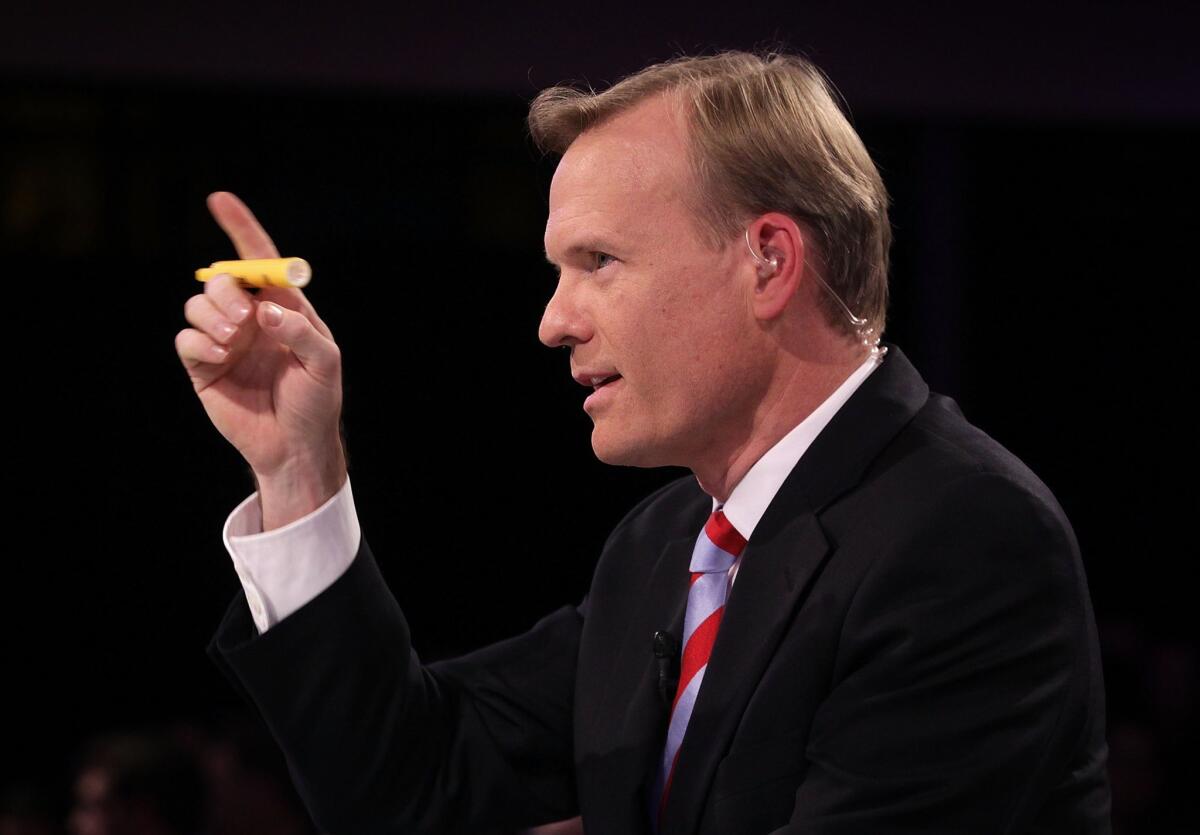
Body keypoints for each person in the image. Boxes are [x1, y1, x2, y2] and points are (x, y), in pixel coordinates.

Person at [178, 52, 1110, 833]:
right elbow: (409, 781)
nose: (553, 322)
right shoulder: (667, 545)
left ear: (769, 261)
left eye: (599, 262)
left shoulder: (965, 536)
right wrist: (297, 467)